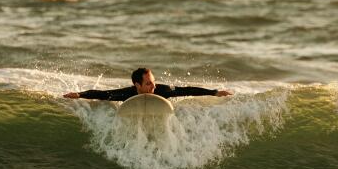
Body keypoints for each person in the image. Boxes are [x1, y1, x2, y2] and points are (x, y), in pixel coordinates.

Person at [63, 67, 233, 101]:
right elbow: (102, 94)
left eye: (153, 82)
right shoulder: (127, 94)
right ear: (137, 85)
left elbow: (187, 90)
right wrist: (80, 95)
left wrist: (214, 92)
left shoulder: (162, 91)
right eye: (148, 84)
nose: (153, 87)